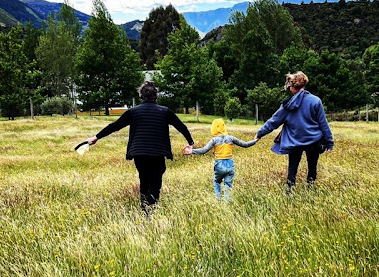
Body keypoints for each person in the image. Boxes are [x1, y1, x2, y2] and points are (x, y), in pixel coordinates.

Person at [86, 80, 195, 213]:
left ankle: (145, 209)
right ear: (156, 95)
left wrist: (97, 137)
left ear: (141, 95)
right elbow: (181, 127)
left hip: (139, 153)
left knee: (144, 179)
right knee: (155, 181)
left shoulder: (133, 112)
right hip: (157, 153)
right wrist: (190, 143)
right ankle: (151, 209)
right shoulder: (165, 111)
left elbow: (115, 126)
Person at [255, 71, 334, 192]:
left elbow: (274, 121)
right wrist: (329, 142)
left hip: (294, 141)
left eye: (290, 87)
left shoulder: (288, 105)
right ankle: (310, 189)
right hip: (314, 141)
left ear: (293, 87)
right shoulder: (315, 101)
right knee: (312, 167)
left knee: (292, 168)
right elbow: (323, 124)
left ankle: (289, 191)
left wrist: (260, 133)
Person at [185, 118, 256, 200]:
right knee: (228, 185)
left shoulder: (214, 140)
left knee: (217, 182)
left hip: (219, 164)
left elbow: (203, 150)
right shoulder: (231, 138)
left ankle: (218, 199)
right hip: (230, 164)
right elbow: (245, 144)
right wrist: (255, 140)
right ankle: (227, 202)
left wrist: (191, 151)